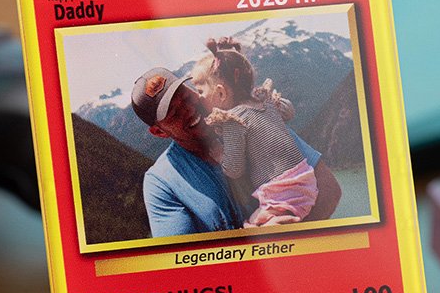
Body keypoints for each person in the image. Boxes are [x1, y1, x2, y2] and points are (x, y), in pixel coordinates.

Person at [131, 66, 340, 238]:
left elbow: (329, 190)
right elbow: (180, 262)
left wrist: (289, 238)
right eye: (174, 113)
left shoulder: (250, 118)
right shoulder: (161, 183)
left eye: (186, 97)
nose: (188, 109)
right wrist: (258, 245)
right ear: (159, 132)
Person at [191, 37, 317, 226]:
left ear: (221, 93)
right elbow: (289, 112)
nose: (198, 98)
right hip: (306, 179)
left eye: (200, 91)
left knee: (252, 225)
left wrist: (220, 156)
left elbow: (235, 170)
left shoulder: (234, 120)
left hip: (281, 192)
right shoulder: (264, 102)